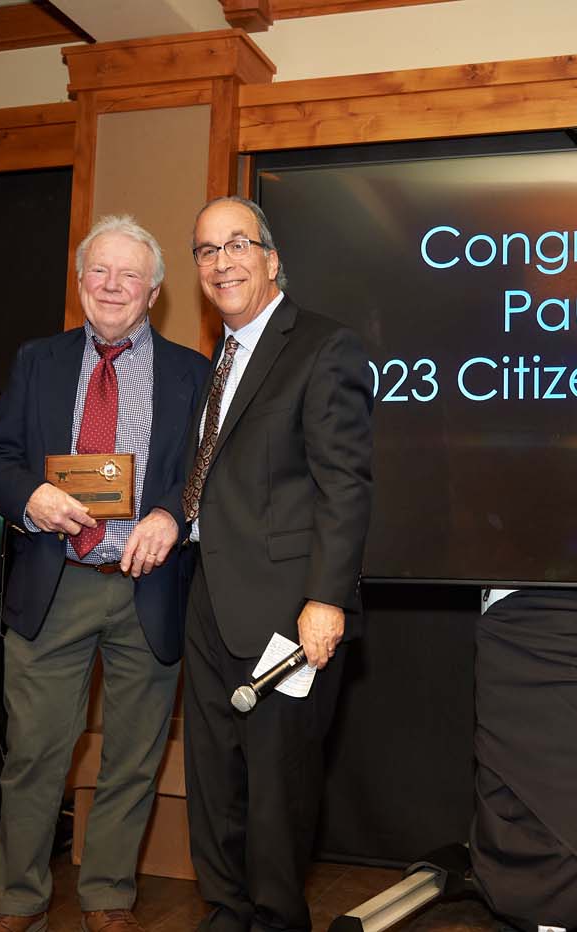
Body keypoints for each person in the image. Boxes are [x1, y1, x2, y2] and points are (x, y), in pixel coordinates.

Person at [0, 215, 208, 932]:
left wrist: (171, 514)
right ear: (81, 284)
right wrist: (29, 497)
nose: (112, 286)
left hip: (150, 588)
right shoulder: (37, 361)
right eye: (99, 272)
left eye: (128, 274)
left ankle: (107, 895)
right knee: (36, 755)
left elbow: (205, 472)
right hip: (57, 582)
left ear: (156, 290)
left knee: (134, 759)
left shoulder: (193, 374)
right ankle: (16, 900)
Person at [180, 195, 374, 932]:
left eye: (237, 244)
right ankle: (227, 912)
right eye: (206, 250)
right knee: (213, 775)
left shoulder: (323, 347)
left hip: (288, 608)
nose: (221, 261)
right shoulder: (219, 360)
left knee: (277, 786)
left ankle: (274, 919)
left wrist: (325, 598)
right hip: (207, 597)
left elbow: (343, 484)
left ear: (271, 257)